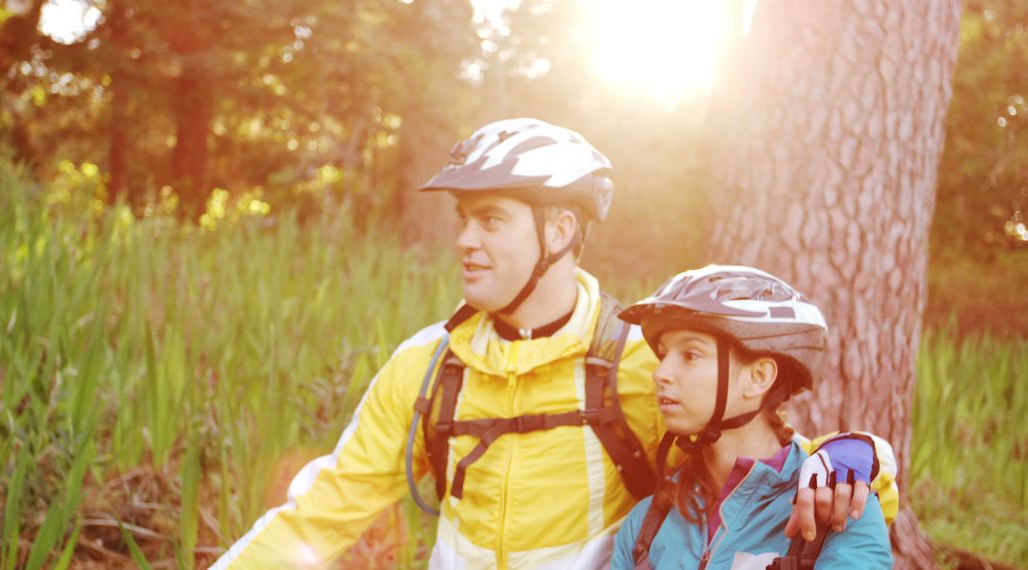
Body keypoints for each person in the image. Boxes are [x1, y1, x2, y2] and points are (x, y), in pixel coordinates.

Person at [211, 119, 897, 569]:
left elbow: (761, 458)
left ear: (560, 230)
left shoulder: (637, 361)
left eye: (490, 220)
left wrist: (858, 456)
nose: (464, 241)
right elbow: (320, 517)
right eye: (462, 220)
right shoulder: (427, 369)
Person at [610, 265, 894, 569]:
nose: (660, 374)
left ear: (758, 377)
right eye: (664, 355)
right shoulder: (646, 524)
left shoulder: (840, 510)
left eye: (690, 355)